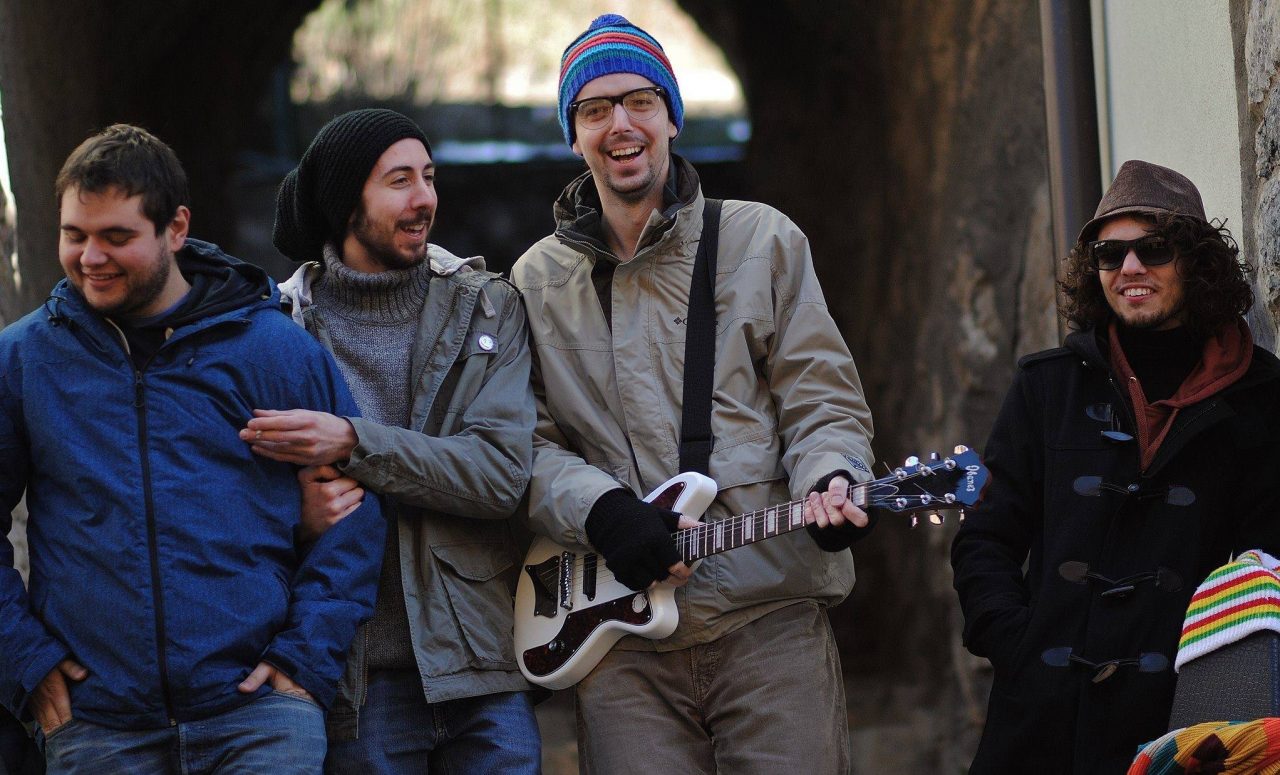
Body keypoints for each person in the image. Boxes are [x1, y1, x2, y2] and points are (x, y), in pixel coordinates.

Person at [511, 15, 876, 773]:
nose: (621, 123)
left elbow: (820, 398)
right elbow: (522, 444)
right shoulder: (533, 281)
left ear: (673, 115)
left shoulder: (762, 240)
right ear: (573, 135)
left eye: (641, 100)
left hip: (767, 616)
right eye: (594, 108)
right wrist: (603, 510)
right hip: (617, 646)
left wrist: (832, 477)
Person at [0, 124, 385, 774]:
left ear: (175, 229)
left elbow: (355, 516)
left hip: (259, 719)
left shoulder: (273, 349)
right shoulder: (24, 360)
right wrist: (26, 663)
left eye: (116, 237)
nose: (91, 256)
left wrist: (304, 659)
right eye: (75, 235)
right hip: (98, 728)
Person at [951, 159, 1280, 774]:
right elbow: (986, 538)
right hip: (1041, 721)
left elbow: (1270, 560)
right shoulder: (1045, 388)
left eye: (1153, 249)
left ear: (1197, 263)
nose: (1130, 269)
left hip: (1188, 726)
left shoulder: (1260, 397)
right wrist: (1014, 640)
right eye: (1110, 254)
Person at [249, 108, 538, 773]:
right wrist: (297, 520)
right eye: (400, 181)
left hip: (481, 669)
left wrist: (353, 441)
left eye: (429, 178)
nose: (425, 199)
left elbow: (499, 475)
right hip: (358, 677)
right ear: (348, 203)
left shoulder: (485, 307)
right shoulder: (277, 329)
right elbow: (234, 502)